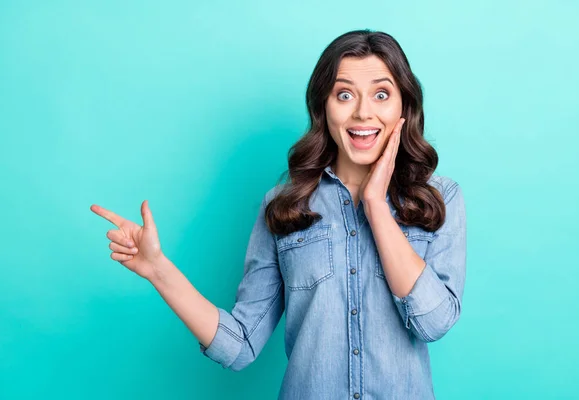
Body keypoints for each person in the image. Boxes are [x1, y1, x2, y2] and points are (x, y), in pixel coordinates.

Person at [90, 29, 466, 400]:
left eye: (381, 94)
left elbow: (434, 323)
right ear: (323, 107)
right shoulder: (284, 205)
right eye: (345, 94)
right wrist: (158, 269)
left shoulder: (440, 198)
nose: (363, 112)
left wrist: (375, 206)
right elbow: (240, 345)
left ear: (404, 106)